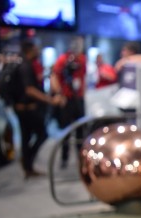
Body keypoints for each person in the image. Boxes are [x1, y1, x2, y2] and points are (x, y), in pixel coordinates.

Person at [13, 40, 64, 179]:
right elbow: (30, 90)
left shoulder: (24, 64)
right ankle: (27, 161)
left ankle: (27, 166)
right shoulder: (25, 66)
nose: (38, 51)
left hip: (22, 108)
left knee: (26, 137)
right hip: (28, 109)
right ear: (29, 50)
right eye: (35, 49)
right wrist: (50, 100)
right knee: (42, 134)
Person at [52, 36, 87, 169]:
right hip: (67, 99)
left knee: (81, 131)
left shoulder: (82, 59)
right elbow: (55, 76)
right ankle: (64, 157)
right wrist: (59, 94)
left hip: (79, 99)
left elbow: (83, 78)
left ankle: (81, 158)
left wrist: (83, 94)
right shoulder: (63, 59)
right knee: (66, 130)